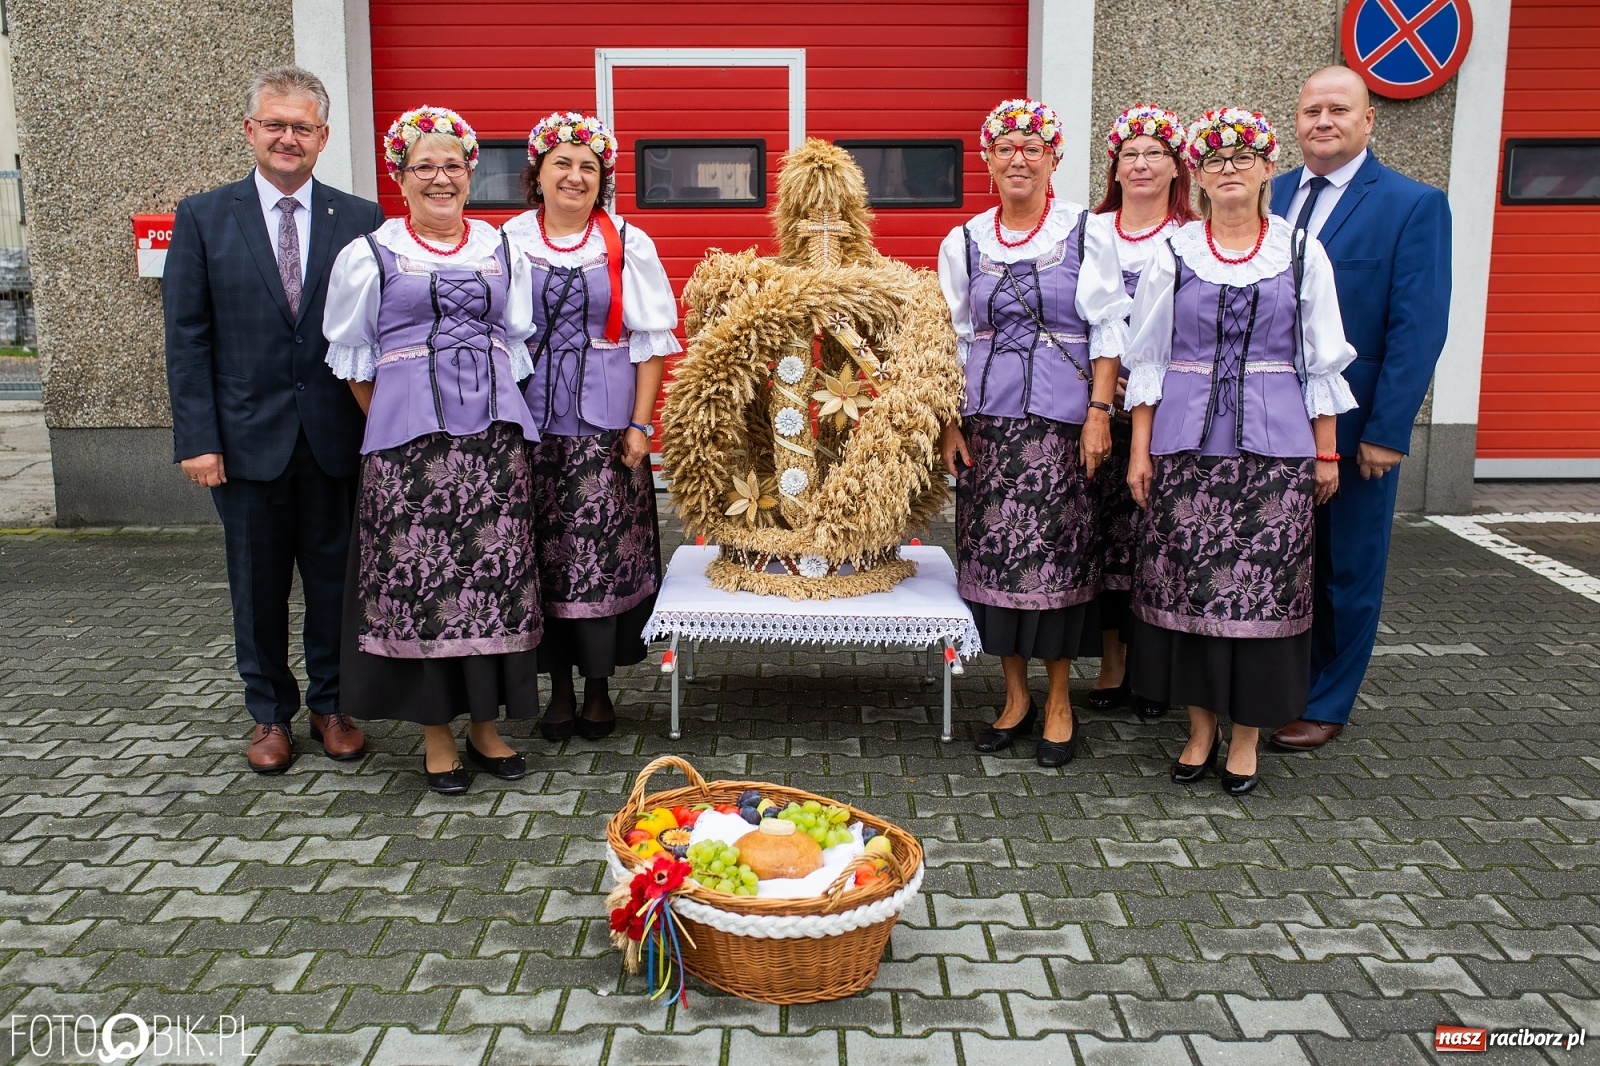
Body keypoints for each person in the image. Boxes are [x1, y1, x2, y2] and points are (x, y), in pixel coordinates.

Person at [1124, 107, 1357, 795]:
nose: (1229, 170)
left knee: (1263, 593)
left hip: (1274, 453)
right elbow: (1149, 359)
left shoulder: (1298, 252)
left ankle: (1247, 737)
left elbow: (1321, 360)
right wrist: (1140, 450)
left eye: (1243, 158)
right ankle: (1199, 729)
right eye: (1216, 160)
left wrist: (1327, 452)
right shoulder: (1175, 254)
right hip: (1186, 449)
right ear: (1197, 174)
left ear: (1266, 171)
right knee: (1190, 588)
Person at [164, 66, 384, 774]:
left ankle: (331, 702)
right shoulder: (203, 217)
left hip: (334, 439)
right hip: (244, 442)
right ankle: (268, 715)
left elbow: (381, 333)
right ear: (250, 131)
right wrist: (198, 439)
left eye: (302, 127)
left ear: (323, 137)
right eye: (275, 124)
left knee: (333, 580)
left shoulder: (360, 220)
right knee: (257, 584)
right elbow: (187, 336)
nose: (288, 138)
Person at [323, 106, 544, 794]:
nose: (440, 177)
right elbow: (356, 361)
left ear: (470, 172)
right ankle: (437, 736)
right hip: (407, 456)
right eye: (425, 165)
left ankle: (485, 727)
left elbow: (516, 342)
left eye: (453, 164)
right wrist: (400, 411)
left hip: (493, 445)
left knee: (491, 584)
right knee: (425, 588)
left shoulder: (502, 248)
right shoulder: (368, 254)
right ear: (401, 175)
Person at [938, 99, 1130, 767]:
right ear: (988, 160)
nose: (1019, 158)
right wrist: (949, 424)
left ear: (1054, 157)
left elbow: (1109, 328)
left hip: (1060, 425)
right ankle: (1013, 695)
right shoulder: (964, 239)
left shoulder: (1085, 231)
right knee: (994, 564)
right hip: (988, 428)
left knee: (1055, 563)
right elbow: (952, 338)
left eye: (1032, 146)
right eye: (1006, 147)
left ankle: (1058, 701)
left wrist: (1100, 412)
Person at [1267, 66, 1452, 752]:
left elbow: (1418, 328)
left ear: (1368, 120)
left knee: (1347, 565)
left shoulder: (1412, 204)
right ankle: (1278, 684)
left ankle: (1326, 701)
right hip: (1270, 422)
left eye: (1339, 110)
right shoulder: (1270, 194)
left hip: (1356, 424)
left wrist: (1388, 431)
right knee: (1285, 562)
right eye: (1311, 109)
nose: (1323, 121)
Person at [502, 112, 679, 742]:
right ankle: (557, 689)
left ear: (601, 178)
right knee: (542, 554)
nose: (575, 176)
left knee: (599, 555)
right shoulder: (511, 240)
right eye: (562, 164)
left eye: (588, 166)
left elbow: (651, 341)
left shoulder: (627, 241)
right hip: (534, 423)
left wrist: (640, 424)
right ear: (538, 175)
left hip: (605, 429)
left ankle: (600, 688)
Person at [1084, 104, 1197, 720]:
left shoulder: (1192, 237)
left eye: (1155, 152)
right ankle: (1110, 662)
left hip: (1165, 408)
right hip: (1097, 405)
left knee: (1155, 538)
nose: (1142, 163)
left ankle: (1154, 668)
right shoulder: (1090, 230)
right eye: (1131, 153)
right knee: (1102, 537)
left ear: (1177, 165)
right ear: (1115, 166)